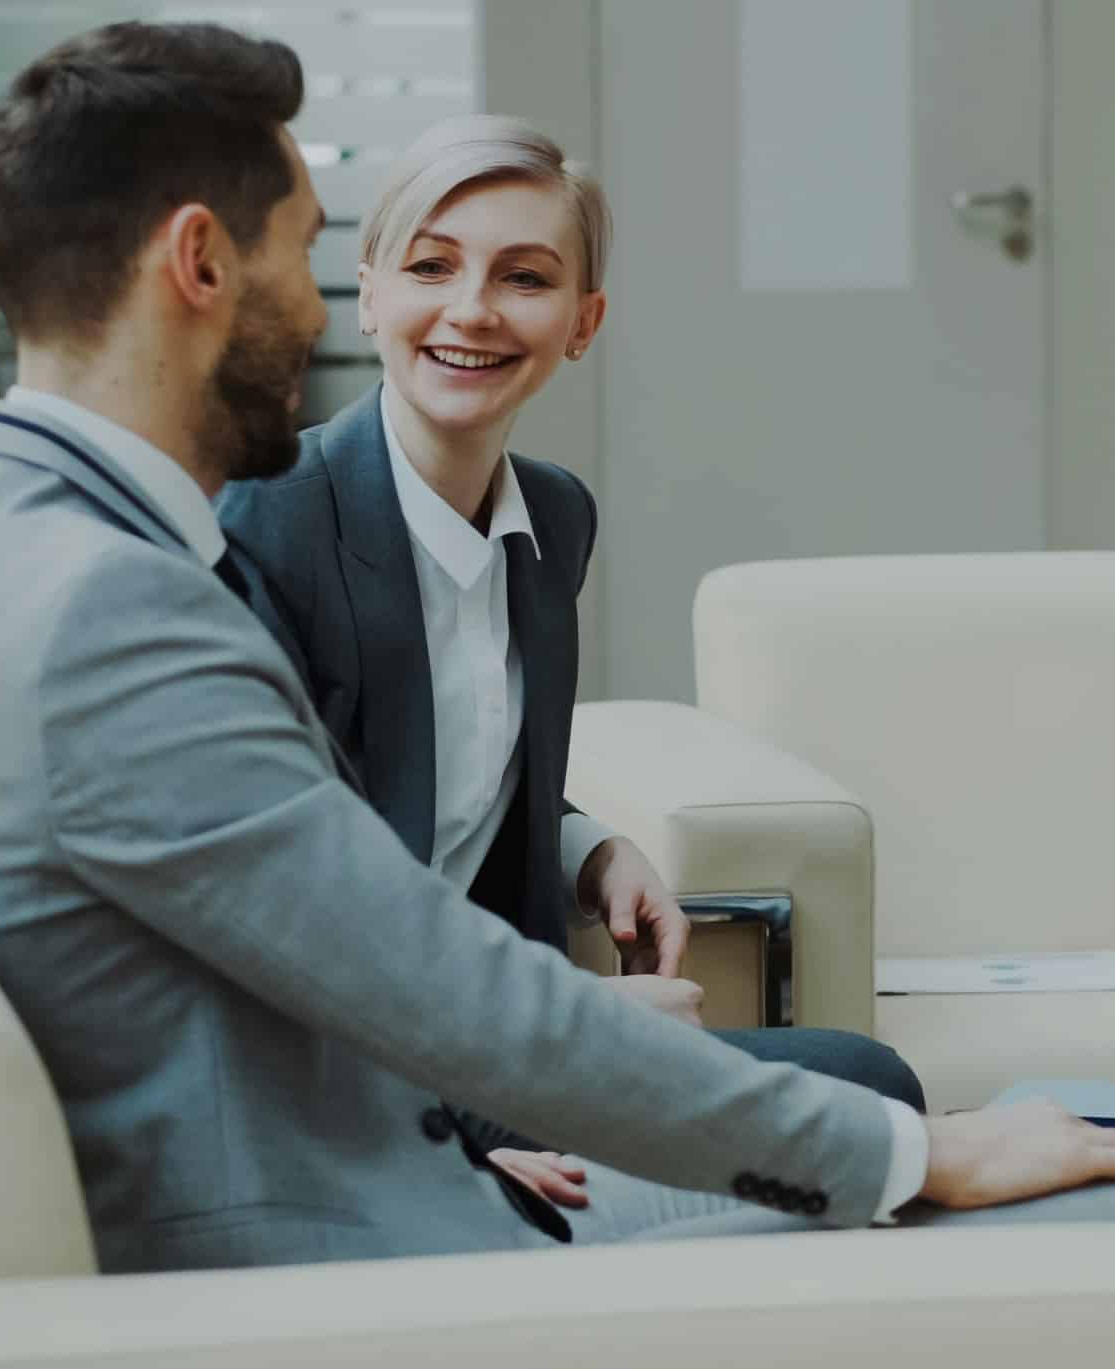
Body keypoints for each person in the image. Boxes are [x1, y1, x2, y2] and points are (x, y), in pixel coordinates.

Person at [0, 21, 1115, 1270]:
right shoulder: (111, 614)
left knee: (983, 1150)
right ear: (200, 263)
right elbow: (445, 990)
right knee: (1103, 1209)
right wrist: (924, 1159)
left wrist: (581, 853)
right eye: (306, 258)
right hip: (332, 1255)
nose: (317, 316)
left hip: (320, 1170)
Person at [215, 117, 918, 1238]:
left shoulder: (554, 516)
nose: (472, 309)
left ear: (583, 322)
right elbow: (280, 898)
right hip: (351, 1070)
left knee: (867, 1079)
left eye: (525, 277)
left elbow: (439, 765)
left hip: (492, 1040)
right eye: (431, 266)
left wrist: (582, 845)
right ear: (370, 294)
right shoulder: (269, 521)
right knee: (868, 1125)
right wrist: (575, 1025)